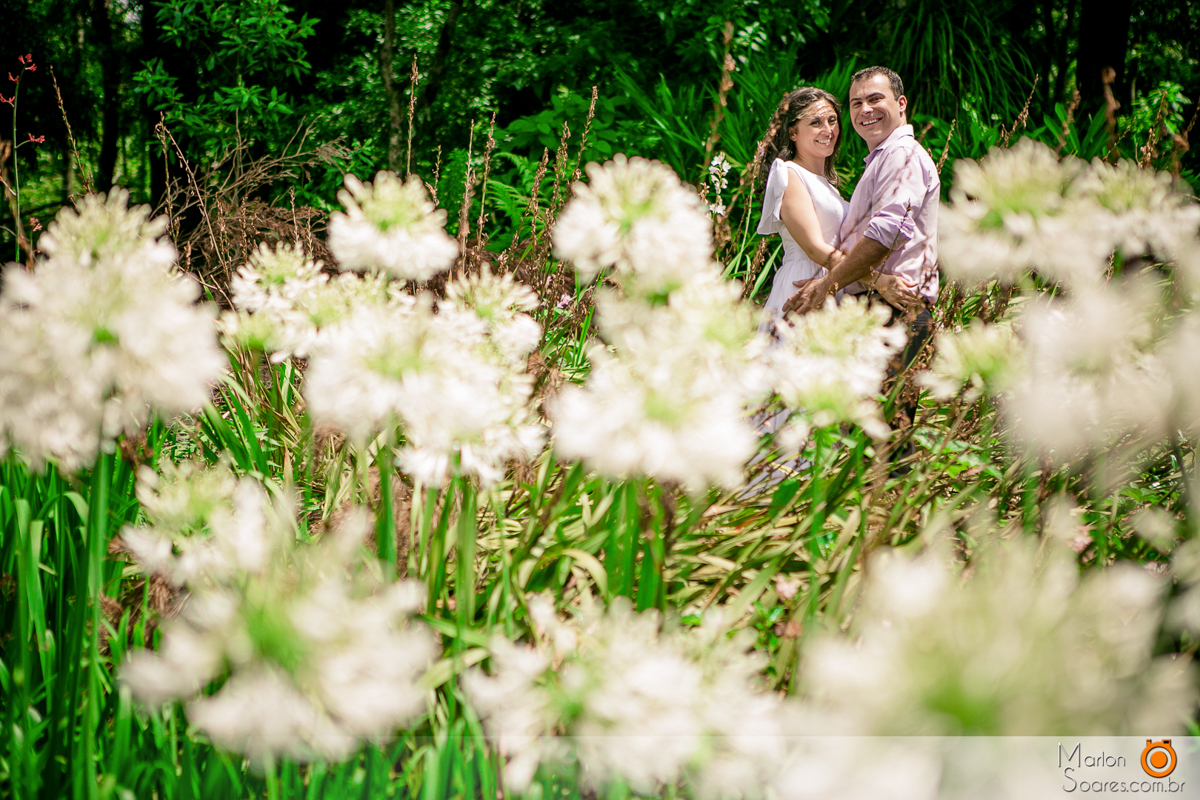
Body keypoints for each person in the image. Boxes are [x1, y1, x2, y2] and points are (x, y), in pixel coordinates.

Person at [784, 66, 940, 371]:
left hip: (894, 312)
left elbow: (888, 233)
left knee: (882, 419)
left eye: (875, 99)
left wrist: (828, 284)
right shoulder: (882, 159)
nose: (865, 109)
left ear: (901, 104)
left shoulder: (902, 154)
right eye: (856, 103)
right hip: (875, 309)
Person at [754, 87, 848, 332]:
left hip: (829, 283)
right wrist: (872, 276)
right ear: (793, 132)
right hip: (801, 284)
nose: (828, 130)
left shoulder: (829, 186)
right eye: (815, 122)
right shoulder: (789, 173)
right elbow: (814, 248)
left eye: (832, 120)